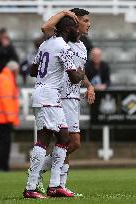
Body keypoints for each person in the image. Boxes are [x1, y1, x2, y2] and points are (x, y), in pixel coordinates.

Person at [23, 16, 85, 199]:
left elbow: (33, 71)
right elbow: (74, 78)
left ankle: (55, 186)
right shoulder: (64, 47)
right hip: (49, 96)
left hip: (45, 94)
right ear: (67, 29)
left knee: (64, 138)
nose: (77, 30)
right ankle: (31, 187)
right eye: (75, 27)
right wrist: (80, 72)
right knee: (43, 139)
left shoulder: (45, 44)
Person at [37, 8, 95, 196]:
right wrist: (64, 13)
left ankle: (59, 183)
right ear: (75, 22)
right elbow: (46, 27)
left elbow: (79, 72)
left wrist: (90, 85)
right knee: (73, 142)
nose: (89, 24)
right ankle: (38, 172)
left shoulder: (83, 47)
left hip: (73, 97)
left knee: (66, 143)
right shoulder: (61, 41)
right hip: (60, 96)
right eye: (85, 20)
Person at [0, 61, 20, 172]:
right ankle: (1, 166)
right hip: (4, 118)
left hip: (1, 117)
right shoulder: (6, 79)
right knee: (4, 142)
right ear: (14, 70)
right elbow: (7, 101)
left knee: (2, 141)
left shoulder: (3, 77)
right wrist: (11, 119)